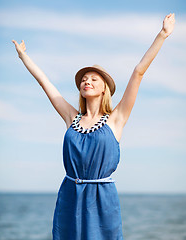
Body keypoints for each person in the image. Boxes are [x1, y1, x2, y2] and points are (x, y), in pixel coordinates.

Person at [12, 13, 175, 240]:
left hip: (102, 199)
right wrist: (23, 57)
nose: (86, 81)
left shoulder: (116, 119)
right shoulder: (72, 117)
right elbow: (44, 82)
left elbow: (138, 72)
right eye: (83, 79)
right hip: (70, 196)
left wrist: (162, 35)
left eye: (93, 79)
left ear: (104, 88)